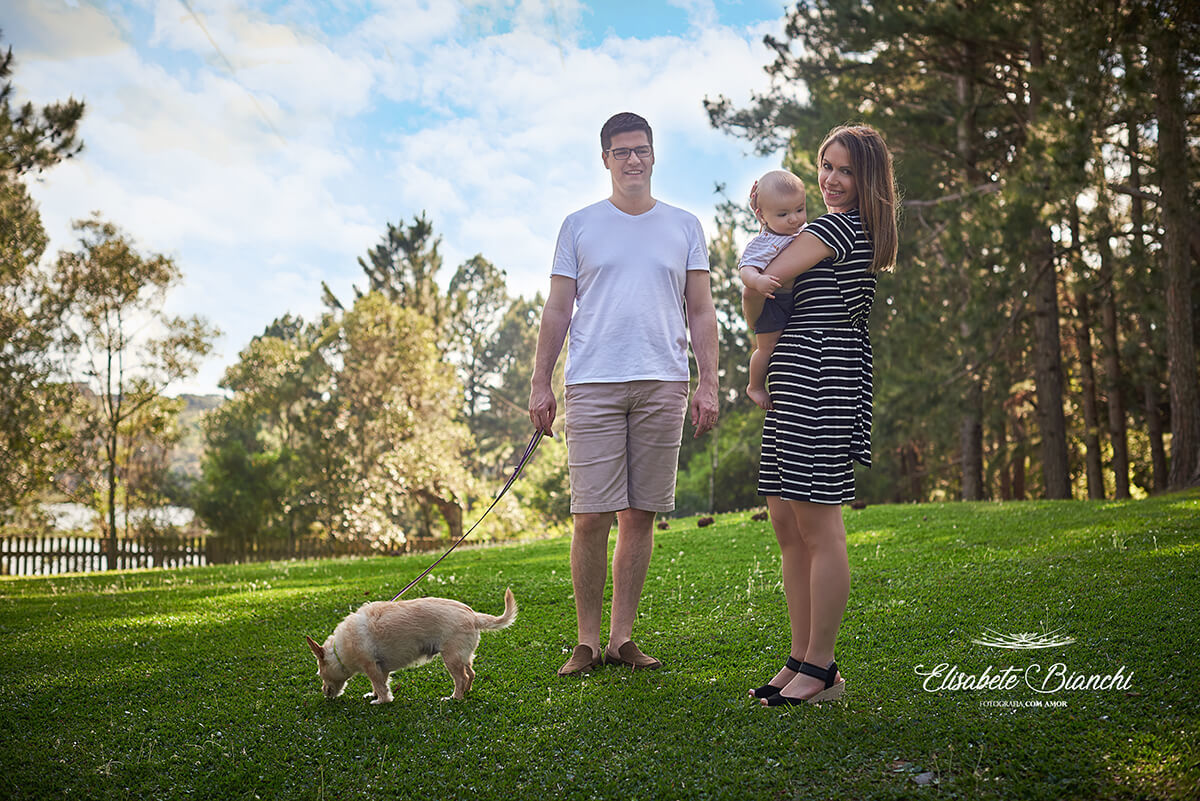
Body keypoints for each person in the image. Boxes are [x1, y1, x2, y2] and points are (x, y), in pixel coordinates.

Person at [528, 112, 719, 676]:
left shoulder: (685, 226)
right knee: (590, 515)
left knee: (640, 516)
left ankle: (621, 639)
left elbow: (702, 310)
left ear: (653, 154)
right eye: (621, 152)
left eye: (641, 150)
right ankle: (586, 642)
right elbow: (558, 308)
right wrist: (541, 381)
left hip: (664, 381)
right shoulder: (579, 225)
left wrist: (709, 381)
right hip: (592, 383)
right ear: (605, 159)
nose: (633, 160)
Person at [745, 124, 898, 706]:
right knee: (788, 524)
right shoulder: (838, 228)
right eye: (826, 166)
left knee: (817, 525)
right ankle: (800, 658)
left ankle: (822, 667)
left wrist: (753, 267)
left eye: (845, 171)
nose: (831, 180)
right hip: (796, 377)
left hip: (819, 377)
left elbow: (760, 290)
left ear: (867, 179)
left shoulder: (833, 228)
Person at [738, 169, 808, 410]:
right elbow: (746, 269)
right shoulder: (764, 242)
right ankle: (755, 386)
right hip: (772, 302)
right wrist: (758, 281)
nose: (794, 219)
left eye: (800, 209)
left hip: (793, 299)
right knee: (766, 348)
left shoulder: (802, 230)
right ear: (763, 216)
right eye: (783, 214)